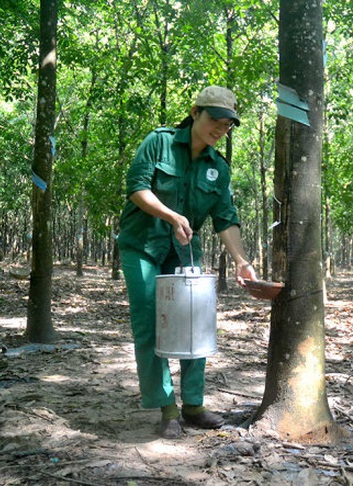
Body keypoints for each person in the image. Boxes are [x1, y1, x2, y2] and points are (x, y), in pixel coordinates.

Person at [118, 86, 257, 439]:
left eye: (227, 125)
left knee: (194, 322)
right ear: (195, 112)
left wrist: (241, 260)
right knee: (151, 321)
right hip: (142, 247)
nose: (220, 129)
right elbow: (136, 187)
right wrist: (170, 216)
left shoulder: (218, 168)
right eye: (215, 120)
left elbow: (226, 218)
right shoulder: (158, 142)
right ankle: (166, 407)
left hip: (183, 252)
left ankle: (193, 405)